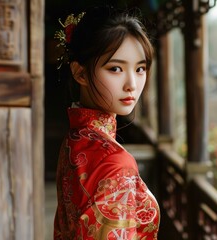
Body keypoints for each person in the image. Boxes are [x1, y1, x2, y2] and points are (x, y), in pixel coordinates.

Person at [53, 6, 160, 240]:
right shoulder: (115, 162)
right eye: (116, 69)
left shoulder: (76, 138)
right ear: (80, 73)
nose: (132, 83)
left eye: (140, 68)